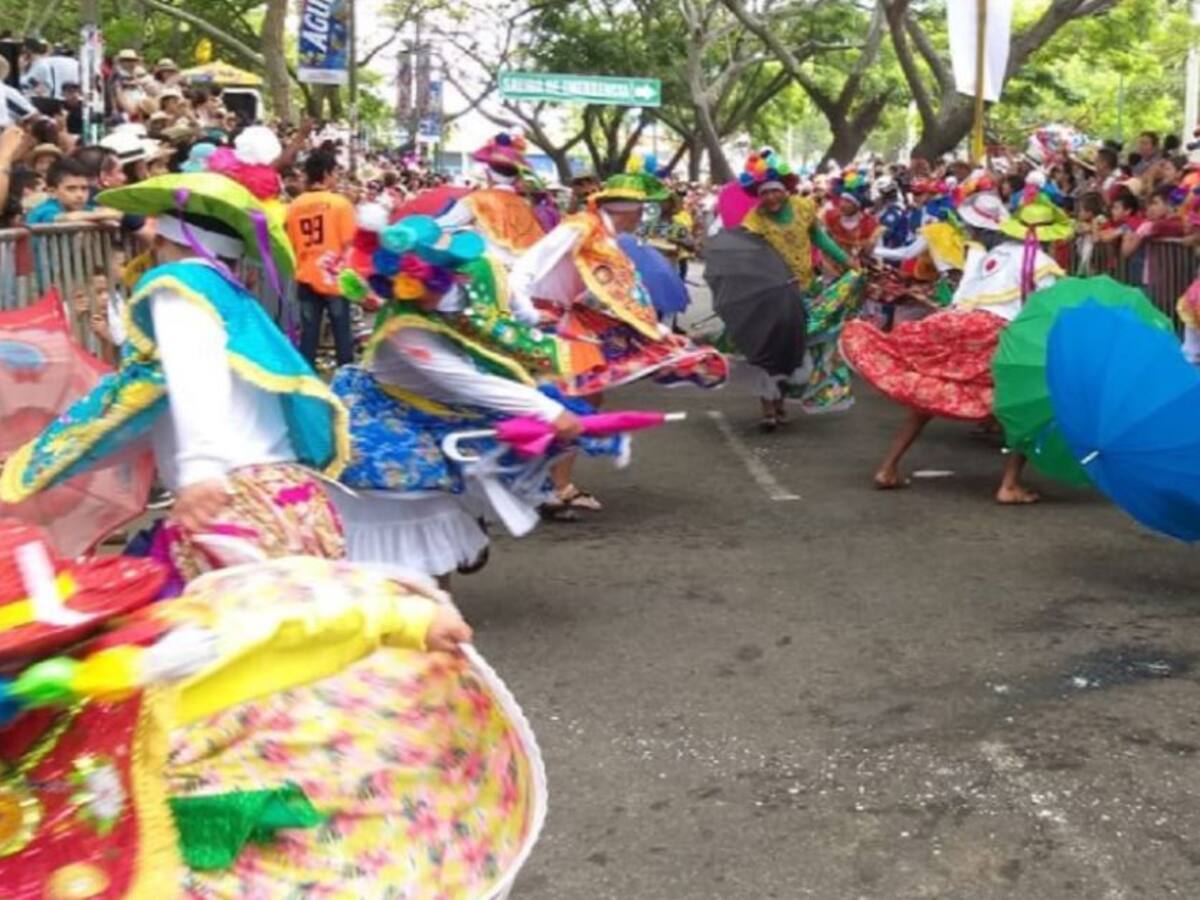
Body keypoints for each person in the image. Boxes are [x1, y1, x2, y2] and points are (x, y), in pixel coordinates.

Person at [0, 171, 350, 588]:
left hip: (231, 507)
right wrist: (50, 464)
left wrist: (199, 469)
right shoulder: (233, 301)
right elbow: (153, 415)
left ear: (165, 240)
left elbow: (193, 367)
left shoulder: (178, 284)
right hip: (289, 502)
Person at [840, 188, 1069, 503]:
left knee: (929, 391)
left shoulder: (994, 255)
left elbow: (964, 296)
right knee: (1026, 404)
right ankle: (1009, 484)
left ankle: (888, 467)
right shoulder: (1044, 265)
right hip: (999, 333)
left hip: (962, 325)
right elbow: (1044, 315)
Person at [733, 150, 861, 427]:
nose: (770, 198)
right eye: (764, 194)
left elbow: (821, 240)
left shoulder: (804, 208)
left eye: (775, 192)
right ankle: (768, 410)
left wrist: (847, 261)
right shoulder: (755, 218)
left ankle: (779, 404)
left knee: (794, 353)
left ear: (785, 190)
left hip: (803, 292)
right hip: (769, 295)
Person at [286, 149, 358, 369]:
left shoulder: (294, 206)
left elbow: (291, 241)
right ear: (326, 174)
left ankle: (307, 385)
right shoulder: (341, 204)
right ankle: (345, 383)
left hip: (306, 275)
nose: (336, 178)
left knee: (308, 336)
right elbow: (349, 242)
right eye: (335, 173)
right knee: (342, 334)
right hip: (335, 277)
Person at [436, 132, 546, 269]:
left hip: (491, 272)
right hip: (525, 271)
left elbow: (443, 225)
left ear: (489, 175)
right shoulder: (525, 204)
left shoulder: (477, 199)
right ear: (517, 178)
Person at [26, 156, 120, 224]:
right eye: (71, 189)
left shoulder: (85, 208)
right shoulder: (45, 210)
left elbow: (111, 215)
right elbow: (68, 218)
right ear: (52, 192)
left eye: (84, 188)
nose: (80, 195)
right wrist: (105, 215)